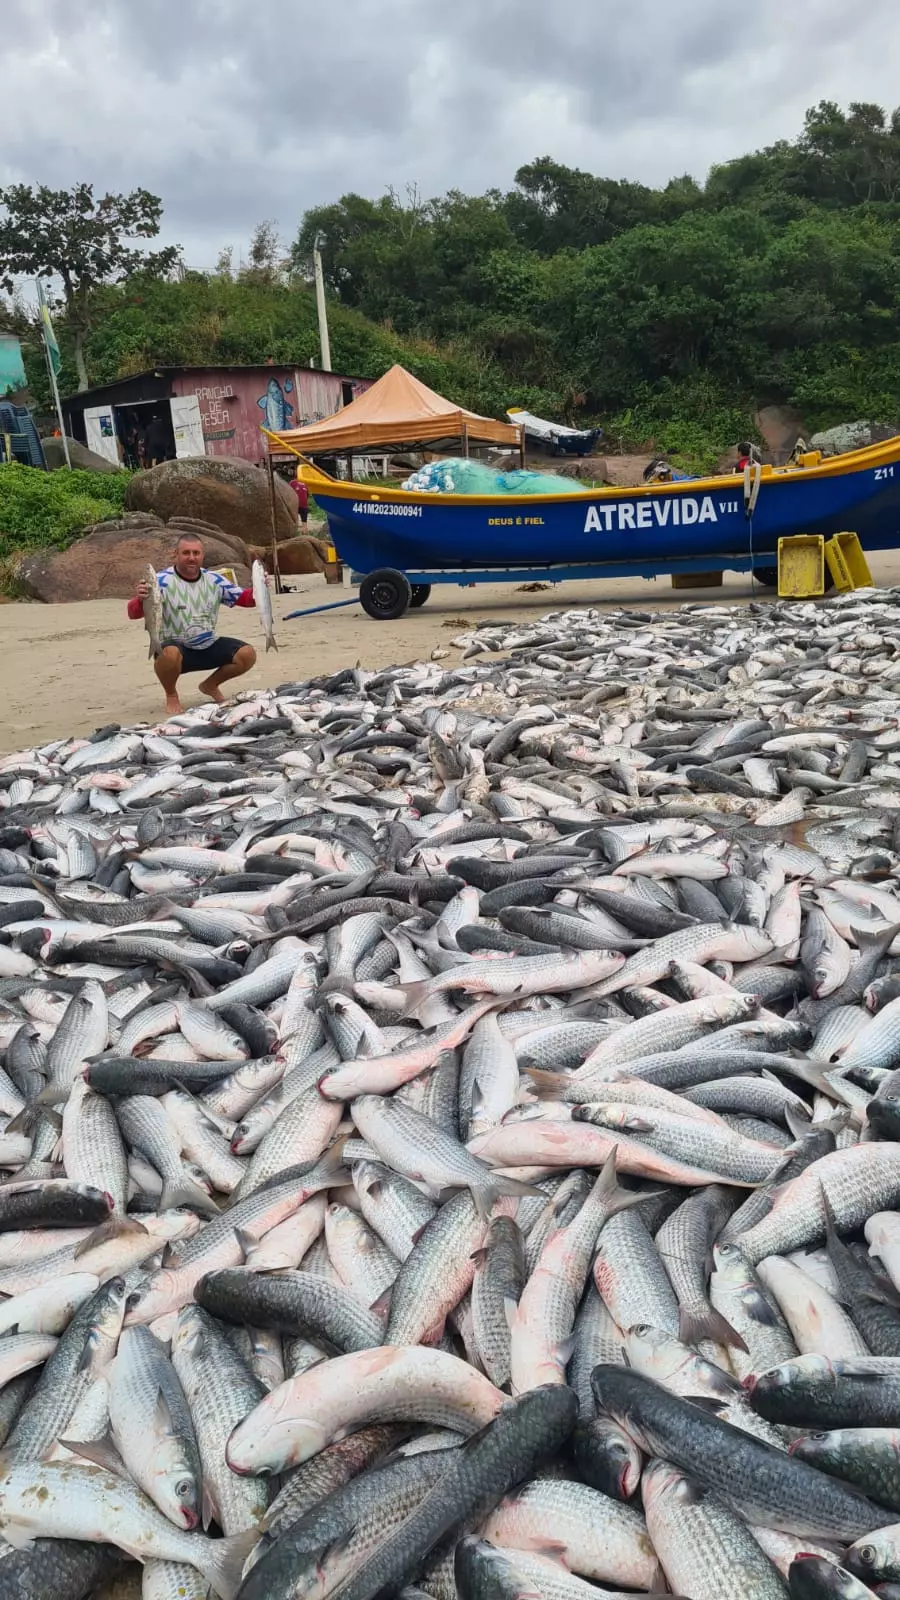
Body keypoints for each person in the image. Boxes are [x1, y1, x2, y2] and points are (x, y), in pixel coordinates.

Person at [127, 534, 258, 715]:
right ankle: (171, 695)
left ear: (202, 555)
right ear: (176, 554)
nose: (191, 557)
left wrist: (260, 586)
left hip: (207, 645)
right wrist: (140, 599)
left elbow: (246, 600)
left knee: (247, 654)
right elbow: (133, 613)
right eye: (186, 553)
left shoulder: (214, 579)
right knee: (169, 653)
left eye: (196, 553)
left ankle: (210, 685)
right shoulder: (160, 581)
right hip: (175, 652)